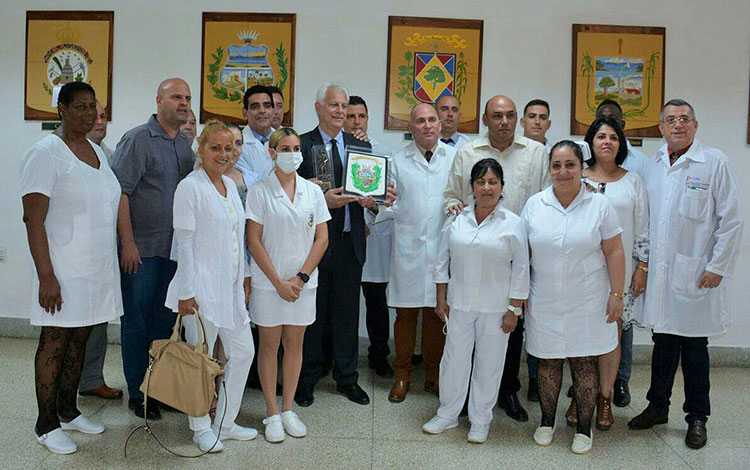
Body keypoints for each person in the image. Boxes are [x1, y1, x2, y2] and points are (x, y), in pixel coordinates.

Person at [628, 99, 743, 450]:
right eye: (670, 120)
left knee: (694, 349)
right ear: (661, 127)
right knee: (663, 344)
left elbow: (732, 220)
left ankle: (696, 417)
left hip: (696, 274)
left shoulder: (715, 163)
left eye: (684, 119)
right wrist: (642, 265)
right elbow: (644, 218)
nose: (677, 125)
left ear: (695, 125)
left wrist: (717, 267)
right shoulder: (652, 166)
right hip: (662, 276)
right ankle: (657, 407)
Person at [20, 82, 119, 454]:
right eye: (79, 107)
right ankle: (46, 425)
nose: (89, 113)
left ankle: (68, 410)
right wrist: (47, 276)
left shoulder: (97, 151)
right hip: (61, 269)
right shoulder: (45, 154)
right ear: (60, 110)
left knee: (81, 338)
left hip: (95, 269)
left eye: (93, 106)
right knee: (56, 342)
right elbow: (33, 219)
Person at [443, 95, 549, 422]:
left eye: (510, 115)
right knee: (465, 339)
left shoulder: (536, 153)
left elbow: (546, 199)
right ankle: (460, 401)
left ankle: (507, 391)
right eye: (496, 115)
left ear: (517, 119)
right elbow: (451, 195)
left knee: (509, 329)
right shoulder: (467, 152)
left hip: (517, 252)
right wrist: (453, 209)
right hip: (473, 251)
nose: (504, 121)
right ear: (485, 120)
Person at [522, 140, 626, 454]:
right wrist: (519, 294)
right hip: (545, 299)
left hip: (589, 300)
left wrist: (617, 294)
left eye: (570, 165)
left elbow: (615, 250)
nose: (563, 172)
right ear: (549, 169)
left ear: (582, 168)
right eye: (557, 165)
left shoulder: (600, 205)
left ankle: (584, 427)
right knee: (548, 363)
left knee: (584, 364)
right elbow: (522, 253)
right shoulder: (535, 205)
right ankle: (546, 421)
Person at [295, 82, 390, 407]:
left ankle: (347, 378)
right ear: (319, 107)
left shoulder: (360, 146)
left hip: (351, 243)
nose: (339, 111)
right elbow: (292, 196)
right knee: (312, 315)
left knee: (348, 316)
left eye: (344, 106)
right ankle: (306, 379)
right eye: (333, 105)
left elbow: (372, 188)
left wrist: (375, 199)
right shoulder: (301, 145)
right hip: (314, 246)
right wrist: (322, 199)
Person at [423, 158, 529, 443]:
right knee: (453, 360)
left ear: (502, 186)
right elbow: (441, 260)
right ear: (471, 186)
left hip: (497, 309)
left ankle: (480, 420)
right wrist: (441, 298)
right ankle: (447, 415)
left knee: (489, 364)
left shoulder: (513, 223)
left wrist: (514, 309)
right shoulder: (458, 218)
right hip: (459, 304)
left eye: (493, 182)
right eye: (481, 182)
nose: (486, 187)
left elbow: (521, 268)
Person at [165, 120, 256, 452]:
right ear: (200, 151)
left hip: (230, 291)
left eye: (229, 148)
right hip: (200, 292)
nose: (223, 154)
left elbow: (237, 237)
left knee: (243, 352)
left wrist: (244, 277)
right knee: (199, 363)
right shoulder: (190, 188)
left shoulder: (230, 187)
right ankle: (200, 426)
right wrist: (186, 293)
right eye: (215, 147)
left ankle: (225, 422)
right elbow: (185, 244)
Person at [111, 78, 195, 419]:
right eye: (176, 96)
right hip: (141, 251)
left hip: (173, 252)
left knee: (165, 322)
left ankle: (159, 389)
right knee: (136, 322)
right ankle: (138, 393)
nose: (184, 103)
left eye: (187, 98)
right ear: (158, 100)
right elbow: (120, 193)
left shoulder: (184, 145)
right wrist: (127, 244)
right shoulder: (137, 140)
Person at [562, 118, 649, 431]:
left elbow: (643, 231)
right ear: (590, 143)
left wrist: (641, 268)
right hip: (580, 275)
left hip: (618, 276)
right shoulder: (576, 176)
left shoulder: (633, 182)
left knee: (612, 339)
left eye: (614, 137)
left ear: (620, 144)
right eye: (601, 136)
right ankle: (581, 395)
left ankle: (604, 398)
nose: (607, 142)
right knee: (581, 338)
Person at [246, 127, 331, 442]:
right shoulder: (260, 190)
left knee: (295, 346)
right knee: (269, 346)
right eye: (284, 148)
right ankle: (271, 412)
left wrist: (301, 278)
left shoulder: (312, 191)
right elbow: (254, 241)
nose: (292, 153)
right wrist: (278, 282)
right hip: (270, 285)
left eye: (296, 148)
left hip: (302, 285)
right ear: (272, 152)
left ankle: (288, 408)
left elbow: (321, 238)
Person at [370, 103, 455, 402]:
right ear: (411, 127)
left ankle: (433, 376)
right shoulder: (397, 160)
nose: (428, 125)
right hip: (409, 249)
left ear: (441, 124)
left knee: (436, 315)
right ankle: (402, 375)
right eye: (420, 121)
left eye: (432, 119)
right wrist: (379, 202)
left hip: (442, 250)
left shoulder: (455, 157)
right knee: (405, 317)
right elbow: (385, 205)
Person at [344, 95, 394, 378]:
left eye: (360, 116)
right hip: (345, 236)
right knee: (344, 303)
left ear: (367, 118)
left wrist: (371, 212)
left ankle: (378, 355)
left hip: (374, 235)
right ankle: (340, 357)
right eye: (350, 116)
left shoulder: (383, 150)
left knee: (376, 301)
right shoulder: (334, 149)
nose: (355, 121)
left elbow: (389, 196)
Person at [77, 99, 122, 401]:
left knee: (97, 320)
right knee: (70, 328)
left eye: (103, 115)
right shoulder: (58, 151)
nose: (98, 120)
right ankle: (61, 395)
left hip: (103, 253)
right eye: (91, 113)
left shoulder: (108, 156)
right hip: (73, 256)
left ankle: (91, 379)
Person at [595, 99, 649, 181]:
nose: (607, 124)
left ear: (622, 125)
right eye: (601, 120)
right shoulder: (583, 160)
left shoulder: (642, 162)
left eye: (612, 119)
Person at [237, 85, 275, 178]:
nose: (262, 110)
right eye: (255, 107)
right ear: (245, 113)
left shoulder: (284, 140)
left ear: (273, 111)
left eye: (267, 106)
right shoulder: (237, 144)